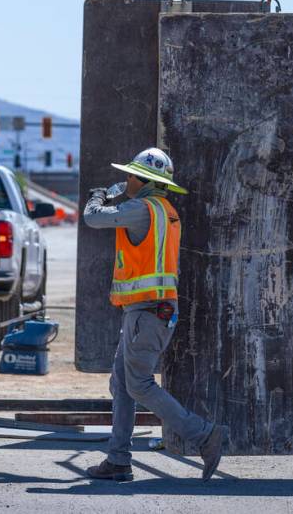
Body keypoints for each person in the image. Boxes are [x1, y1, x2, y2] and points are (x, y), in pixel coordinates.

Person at [83, 147, 227, 482]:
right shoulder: (164, 209)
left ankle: (204, 435)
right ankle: (118, 461)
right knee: (122, 384)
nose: (125, 180)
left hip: (147, 313)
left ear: (141, 179)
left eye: (129, 176)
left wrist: (100, 195)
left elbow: (94, 217)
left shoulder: (141, 209)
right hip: (148, 311)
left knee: (140, 385)